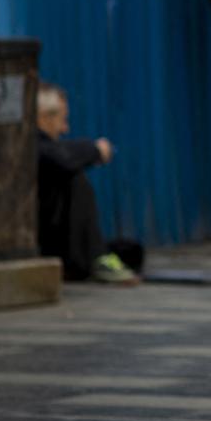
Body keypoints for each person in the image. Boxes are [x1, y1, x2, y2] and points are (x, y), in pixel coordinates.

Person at [36, 83, 138, 284]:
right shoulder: (27, 145)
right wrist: (94, 150)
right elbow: (57, 157)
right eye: (62, 120)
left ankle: (91, 255)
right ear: (43, 117)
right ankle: (94, 257)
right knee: (72, 177)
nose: (65, 128)